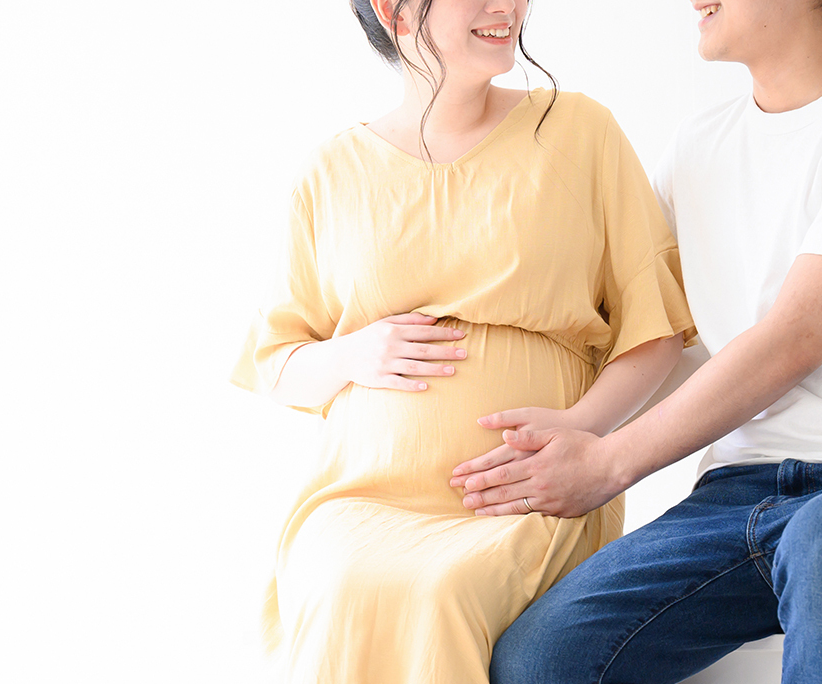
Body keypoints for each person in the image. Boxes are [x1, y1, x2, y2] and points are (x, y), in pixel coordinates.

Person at [230, 0, 696, 681]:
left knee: (436, 592)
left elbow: (656, 331)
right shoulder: (330, 172)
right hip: (364, 497)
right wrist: (351, 353)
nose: (507, 6)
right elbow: (275, 363)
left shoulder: (580, 131)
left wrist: (578, 430)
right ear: (393, 11)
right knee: (343, 588)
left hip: (528, 492)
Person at [466, 1, 822, 683]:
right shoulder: (698, 146)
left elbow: (794, 338)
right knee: (541, 658)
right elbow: (638, 326)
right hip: (732, 496)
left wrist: (610, 462)